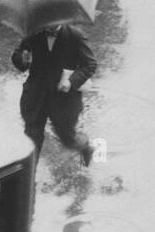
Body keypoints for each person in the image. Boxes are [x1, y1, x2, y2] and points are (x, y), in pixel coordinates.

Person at [11, 24, 96, 164]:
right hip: (36, 96)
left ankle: (85, 147)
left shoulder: (75, 35)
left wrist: (71, 81)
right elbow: (19, 60)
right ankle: (29, 181)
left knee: (67, 138)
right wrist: (22, 59)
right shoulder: (33, 33)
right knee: (32, 140)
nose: (50, 25)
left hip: (64, 99)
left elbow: (90, 64)